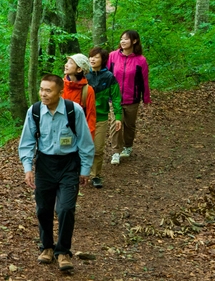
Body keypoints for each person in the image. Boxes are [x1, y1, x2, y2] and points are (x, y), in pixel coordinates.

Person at [18, 74, 95, 272]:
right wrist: (28, 168)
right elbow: (26, 142)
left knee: (65, 209)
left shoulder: (73, 110)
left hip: (69, 165)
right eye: (41, 89)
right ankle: (47, 247)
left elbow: (85, 141)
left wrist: (85, 169)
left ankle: (63, 251)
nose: (43, 94)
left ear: (60, 92)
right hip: (45, 164)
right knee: (43, 209)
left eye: (48, 90)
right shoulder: (34, 111)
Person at [107, 30, 151, 164]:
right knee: (116, 125)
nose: (123, 41)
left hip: (132, 99)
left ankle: (127, 146)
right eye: (121, 39)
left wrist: (146, 98)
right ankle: (115, 151)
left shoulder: (140, 60)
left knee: (129, 125)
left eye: (126, 39)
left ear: (134, 41)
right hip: (115, 99)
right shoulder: (112, 56)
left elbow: (144, 80)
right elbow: (107, 75)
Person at [85, 47, 123, 188]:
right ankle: (79, 173)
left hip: (100, 117)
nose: (93, 59)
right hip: (83, 117)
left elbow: (116, 98)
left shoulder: (109, 77)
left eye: (96, 57)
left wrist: (118, 116)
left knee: (98, 148)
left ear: (103, 60)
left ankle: (95, 175)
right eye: (91, 56)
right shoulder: (83, 75)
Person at [62, 54, 97, 139]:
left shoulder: (87, 90)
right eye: (67, 62)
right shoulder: (59, 86)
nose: (66, 64)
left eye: (70, 63)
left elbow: (90, 117)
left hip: (78, 133)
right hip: (60, 131)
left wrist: (89, 141)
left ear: (79, 69)